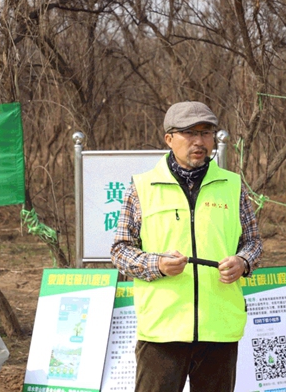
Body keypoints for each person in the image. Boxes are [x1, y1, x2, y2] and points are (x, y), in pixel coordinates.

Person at [111, 101, 263, 392]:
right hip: (162, 330)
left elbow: (253, 242)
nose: (199, 142)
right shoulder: (142, 187)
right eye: (189, 133)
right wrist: (156, 264)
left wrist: (243, 262)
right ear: (169, 139)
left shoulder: (233, 185)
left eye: (206, 133)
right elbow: (120, 250)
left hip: (219, 329)